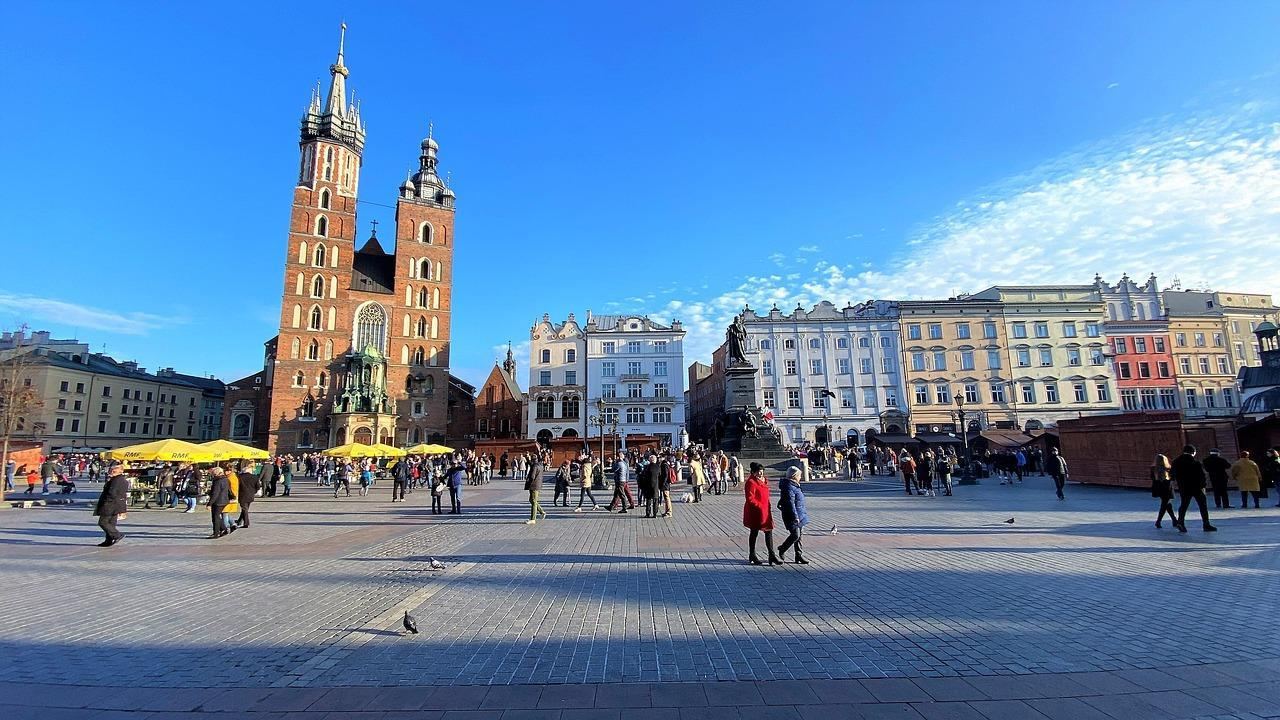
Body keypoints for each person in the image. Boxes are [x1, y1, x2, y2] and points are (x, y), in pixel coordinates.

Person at [742, 462, 781, 565]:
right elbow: (750, 498)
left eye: (762, 471)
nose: (760, 474)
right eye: (758, 472)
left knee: (769, 531)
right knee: (754, 532)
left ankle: (771, 555)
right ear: (753, 472)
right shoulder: (751, 482)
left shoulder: (764, 480)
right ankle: (752, 554)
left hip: (765, 510)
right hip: (755, 511)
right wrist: (760, 506)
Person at [1173, 444, 1217, 533]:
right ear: (1193, 452)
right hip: (1197, 487)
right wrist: (1203, 486)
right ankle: (1206, 524)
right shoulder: (1195, 462)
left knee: (1184, 505)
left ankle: (1180, 522)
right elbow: (1201, 475)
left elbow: (1172, 474)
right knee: (1202, 505)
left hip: (1184, 487)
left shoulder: (1176, 462)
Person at [776, 466, 810, 564]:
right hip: (792, 515)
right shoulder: (789, 486)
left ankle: (798, 555)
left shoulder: (794, 485)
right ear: (794, 476)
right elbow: (790, 503)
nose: (800, 477)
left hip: (799, 513)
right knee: (795, 535)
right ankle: (782, 548)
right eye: (799, 475)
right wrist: (795, 516)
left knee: (799, 536)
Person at [93, 463, 129, 547]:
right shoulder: (119, 479)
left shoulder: (117, 480)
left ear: (121, 470)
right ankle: (109, 540)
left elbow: (112, 493)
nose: (112, 470)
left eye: (115, 469)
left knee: (103, 522)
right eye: (112, 469)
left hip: (110, 504)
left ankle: (117, 535)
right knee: (111, 523)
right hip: (116, 505)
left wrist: (106, 501)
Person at [1151, 453, 1176, 529]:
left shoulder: (1153, 469)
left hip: (1158, 488)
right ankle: (1158, 521)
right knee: (1165, 505)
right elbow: (1173, 478)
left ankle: (1174, 520)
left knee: (1167, 504)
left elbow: (1152, 478)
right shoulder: (1168, 468)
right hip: (1167, 488)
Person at [207, 467, 232, 539]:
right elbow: (229, 490)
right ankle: (223, 529)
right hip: (224, 500)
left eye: (213, 473)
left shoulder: (218, 481)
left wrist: (209, 503)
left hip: (218, 501)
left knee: (215, 517)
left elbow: (215, 493)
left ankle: (216, 533)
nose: (213, 475)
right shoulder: (226, 479)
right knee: (217, 516)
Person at [236, 462, 261, 528]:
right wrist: (254, 491)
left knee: (244, 509)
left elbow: (237, 486)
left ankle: (246, 523)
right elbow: (258, 486)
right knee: (245, 509)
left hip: (242, 494)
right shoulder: (254, 477)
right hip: (251, 495)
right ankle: (239, 521)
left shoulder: (239, 477)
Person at [524, 457, 547, 524]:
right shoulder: (540, 465)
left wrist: (528, 482)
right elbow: (531, 465)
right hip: (538, 484)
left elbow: (532, 476)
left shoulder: (534, 466)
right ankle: (541, 511)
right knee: (531, 500)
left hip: (533, 485)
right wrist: (528, 459)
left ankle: (533, 519)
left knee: (533, 501)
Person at [642, 453, 662, 518]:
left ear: (650, 460)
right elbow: (660, 476)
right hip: (655, 485)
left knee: (648, 500)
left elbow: (643, 476)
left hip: (648, 486)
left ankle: (648, 513)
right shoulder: (658, 467)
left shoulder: (647, 467)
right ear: (655, 460)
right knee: (655, 500)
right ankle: (655, 514)